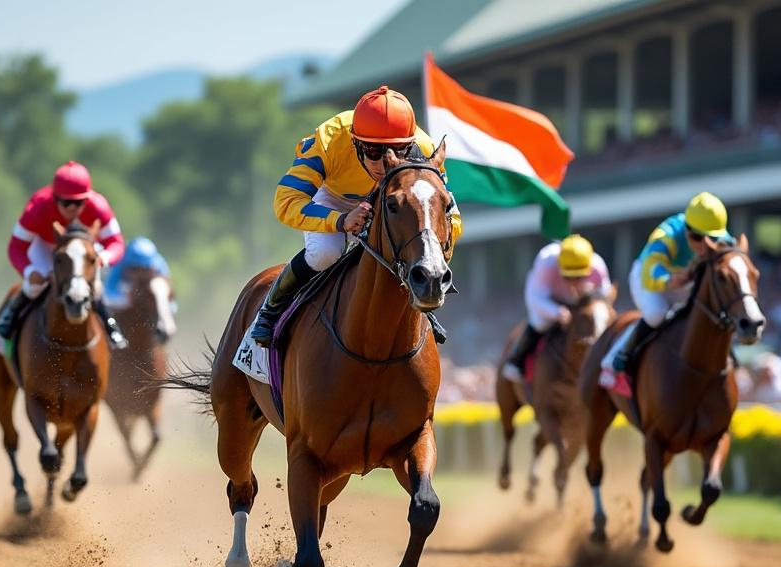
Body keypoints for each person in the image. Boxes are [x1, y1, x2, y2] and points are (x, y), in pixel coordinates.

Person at [252, 85, 463, 347]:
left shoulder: (424, 149)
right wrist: (340, 221)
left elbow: (450, 217)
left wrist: (434, 259)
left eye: (399, 151)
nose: (385, 162)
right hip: (333, 197)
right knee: (326, 253)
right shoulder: (329, 140)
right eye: (374, 152)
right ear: (355, 142)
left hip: (391, 201)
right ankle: (271, 308)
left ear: (410, 145)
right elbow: (286, 201)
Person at [599, 192, 733, 394]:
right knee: (656, 313)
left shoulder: (724, 241)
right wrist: (674, 279)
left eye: (712, 239)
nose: (705, 246)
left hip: (683, 284)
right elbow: (650, 273)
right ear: (687, 231)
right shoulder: (667, 234)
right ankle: (616, 358)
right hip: (648, 278)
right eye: (698, 238)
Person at [0, 161, 128, 349]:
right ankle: (9, 319)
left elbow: (117, 243)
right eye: (66, 202)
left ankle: (112, 327)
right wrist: (29, 271)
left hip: (83, 248)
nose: (72, 209)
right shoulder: (37, 207)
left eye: (79, 202)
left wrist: (103, 258)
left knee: (96, 287)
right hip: (47, 246)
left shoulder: (99, 206)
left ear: (87, 199)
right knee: (35, 287)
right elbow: (15, 247)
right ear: (54, 197)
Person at [501, 234, 610, 382]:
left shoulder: (598, 266)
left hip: (581, 302)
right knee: (540, 322)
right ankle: (517, 359)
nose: (572, 282)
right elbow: (536, 298)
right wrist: (556, 312)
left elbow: (605, 299)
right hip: (550, 298)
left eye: (578, 277)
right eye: (568, 276)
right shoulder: (546, 261)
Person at [104, 236, 172, 307]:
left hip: (154, 293)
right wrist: (126, 297)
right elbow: (108, 292)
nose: (141, 274)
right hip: (126, 294)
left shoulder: (158, 264)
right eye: (136, 269)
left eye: (145, 269)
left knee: (159, 286)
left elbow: (169, 292)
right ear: (128, 267)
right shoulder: (119, 264)